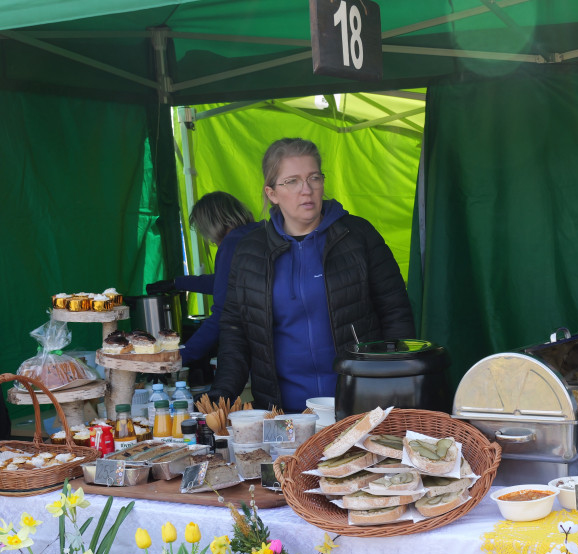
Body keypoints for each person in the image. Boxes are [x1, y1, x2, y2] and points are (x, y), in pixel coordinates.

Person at [209, 138, 415, 412]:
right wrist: (221, 396)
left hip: (360, 404)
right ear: (271, 193)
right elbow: (236, 330)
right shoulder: (250, 252)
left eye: (314, 178)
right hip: (284, 412)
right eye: (292, 181)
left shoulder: (358, 236)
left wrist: (392, 386)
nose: (306, 190)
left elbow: (396, 312)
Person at [147, 192, 259, 367]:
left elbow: (224, 311)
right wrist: (177, 283)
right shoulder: (258, 234)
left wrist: (182, 355)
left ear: (212, 223)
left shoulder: (232, 243)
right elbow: (228, 282)